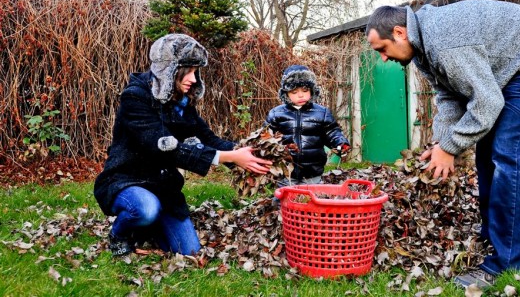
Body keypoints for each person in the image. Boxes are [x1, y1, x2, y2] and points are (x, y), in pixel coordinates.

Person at [365, 0, 520, 288]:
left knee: (509, 156)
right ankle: (494, 236)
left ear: (399, 33)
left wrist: (450, 148)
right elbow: (449, 97)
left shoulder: (445, 42)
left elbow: (486, 103)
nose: (383, 58)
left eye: (382, 49)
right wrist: (442, 143)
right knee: (486, 154)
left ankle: (505, 264)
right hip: (509, 68)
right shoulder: (423, 48)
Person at [94, 34, 272, 256]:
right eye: (187, 70)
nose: (194, 79)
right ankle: (120, 235)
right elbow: (165, 148)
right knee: (145, 209)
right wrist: (229, 158)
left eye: (196, 71)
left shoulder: (181, 103)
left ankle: (147, 227)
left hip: (163, 187)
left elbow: (209, 139)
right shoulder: (135, 98)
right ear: (168, 69)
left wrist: (247, 153)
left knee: (188, 250)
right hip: (126, 180)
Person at [266, 65, 350, 190]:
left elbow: (332, 131)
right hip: (286, 171)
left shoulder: (322, 113)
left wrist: (340, 143)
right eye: (294, 92)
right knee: (284, 200)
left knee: (311, 199)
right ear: (286, 93)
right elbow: (266, 135)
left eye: (305, 90)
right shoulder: (276, 114)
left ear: (312, 90)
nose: (300, 95)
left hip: (313, 170)